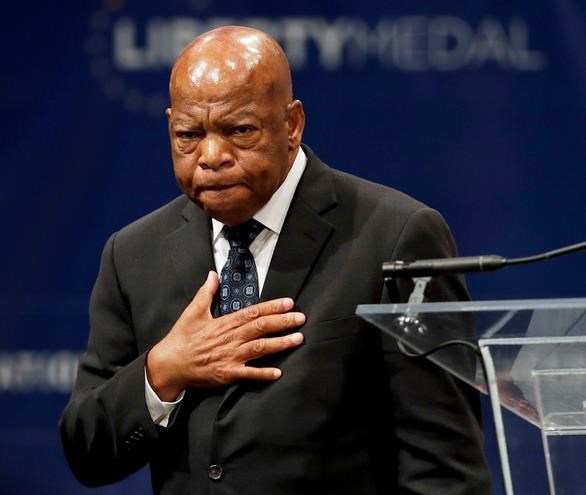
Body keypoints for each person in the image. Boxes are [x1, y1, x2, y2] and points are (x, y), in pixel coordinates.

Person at [59, 25, 492, 495]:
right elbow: (88, 452)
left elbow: (446, 471)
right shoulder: (133, 253)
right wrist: (162, 371)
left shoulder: (395, 238)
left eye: (239, 130)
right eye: (188, 134)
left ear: (292, 124)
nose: (211, 156)